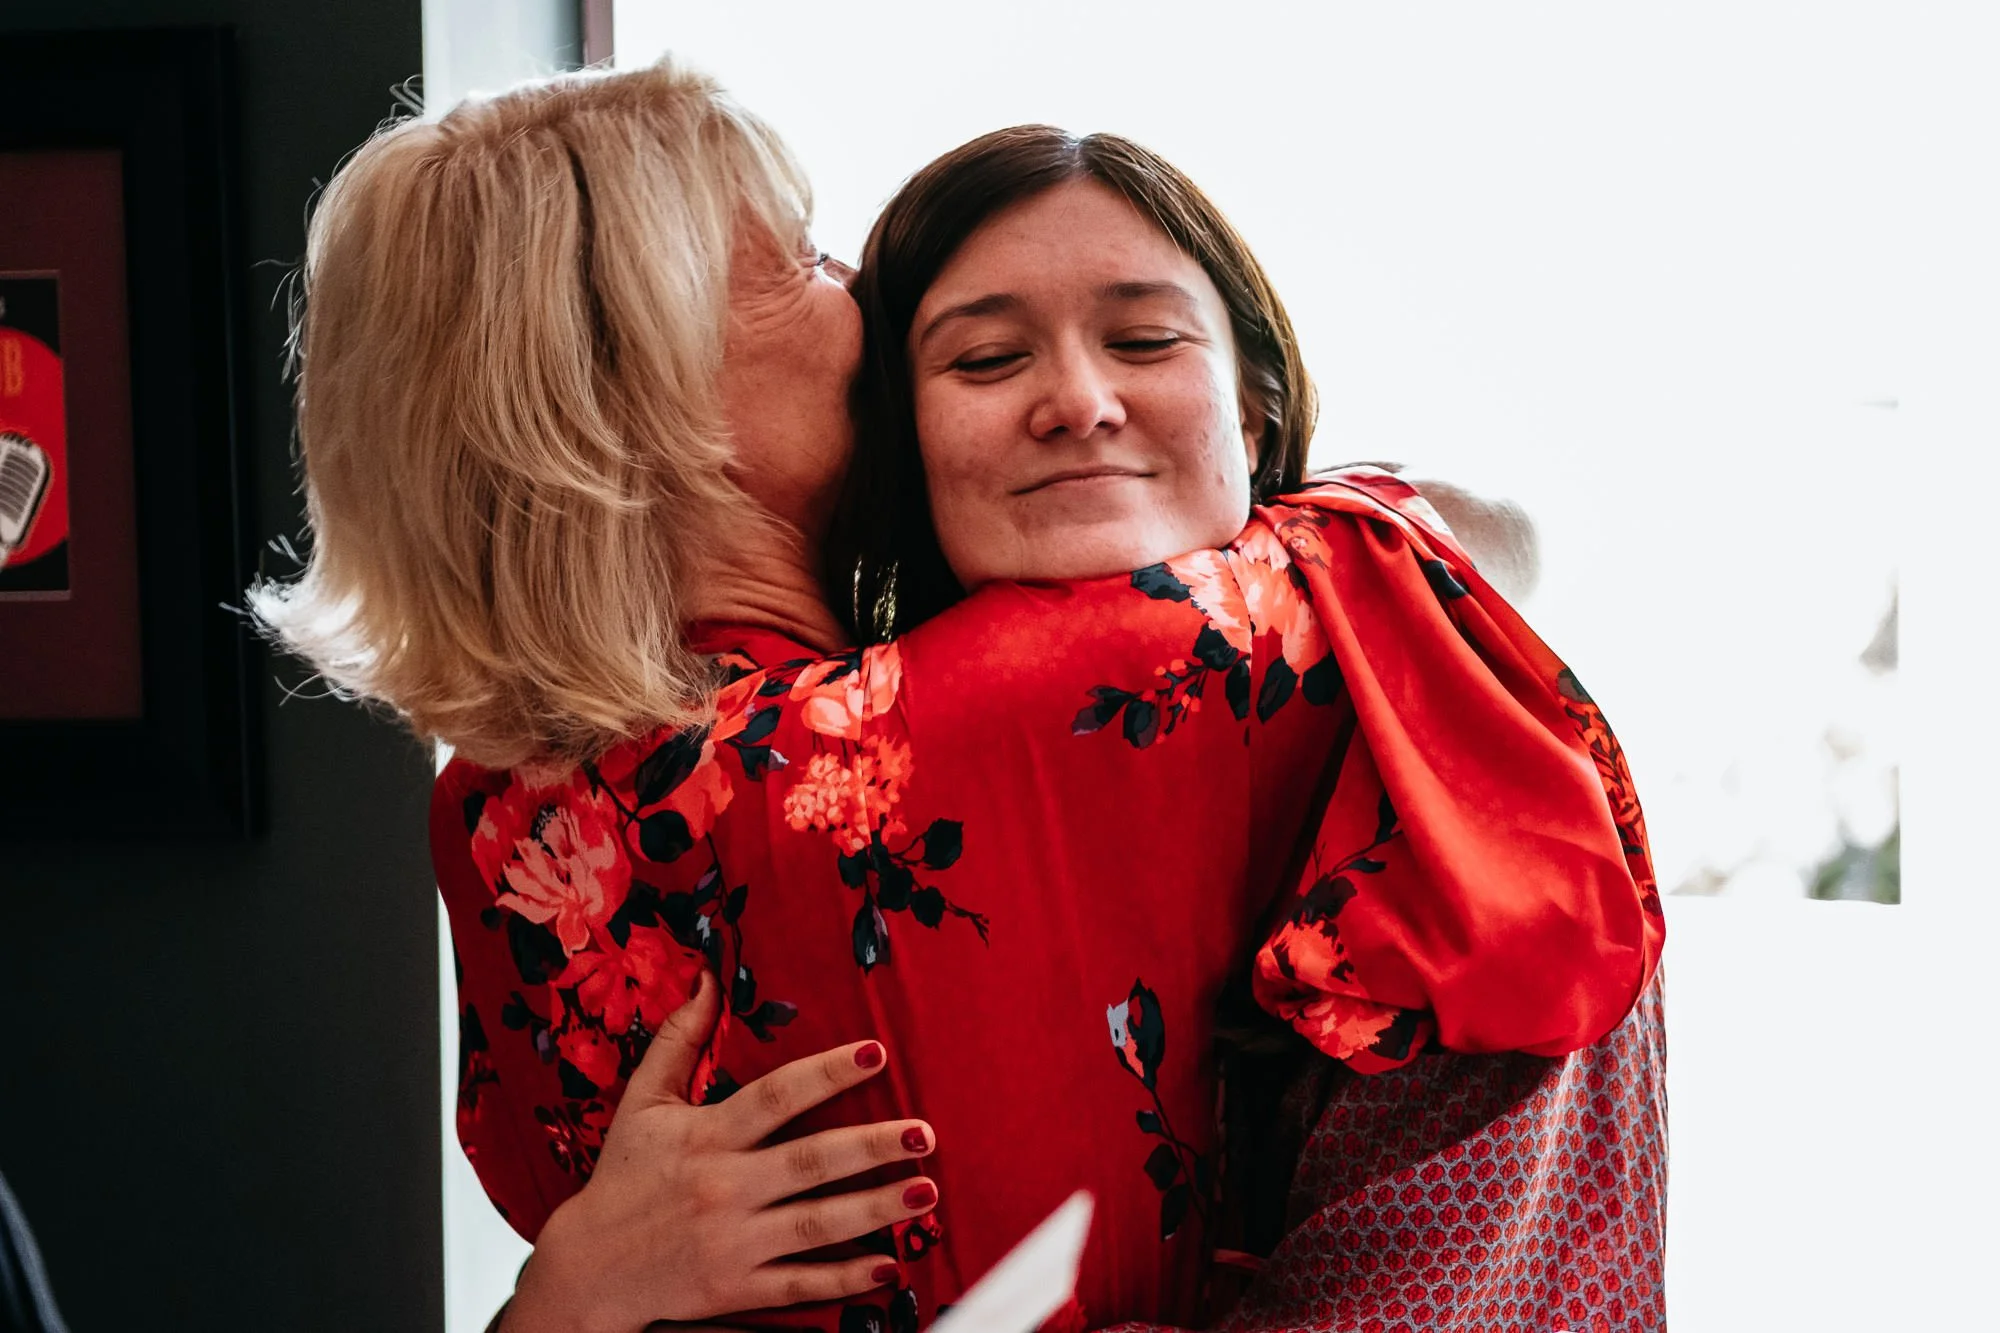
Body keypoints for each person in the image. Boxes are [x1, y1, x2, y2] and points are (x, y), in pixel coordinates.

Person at [253, 60, 1662, 1332]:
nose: (857, 301)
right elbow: (1454, 549)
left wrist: (557, 1301)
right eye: (803, 264)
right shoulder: (919, 736)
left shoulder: (493, 811)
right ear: (651, 374)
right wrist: (1321, 490)